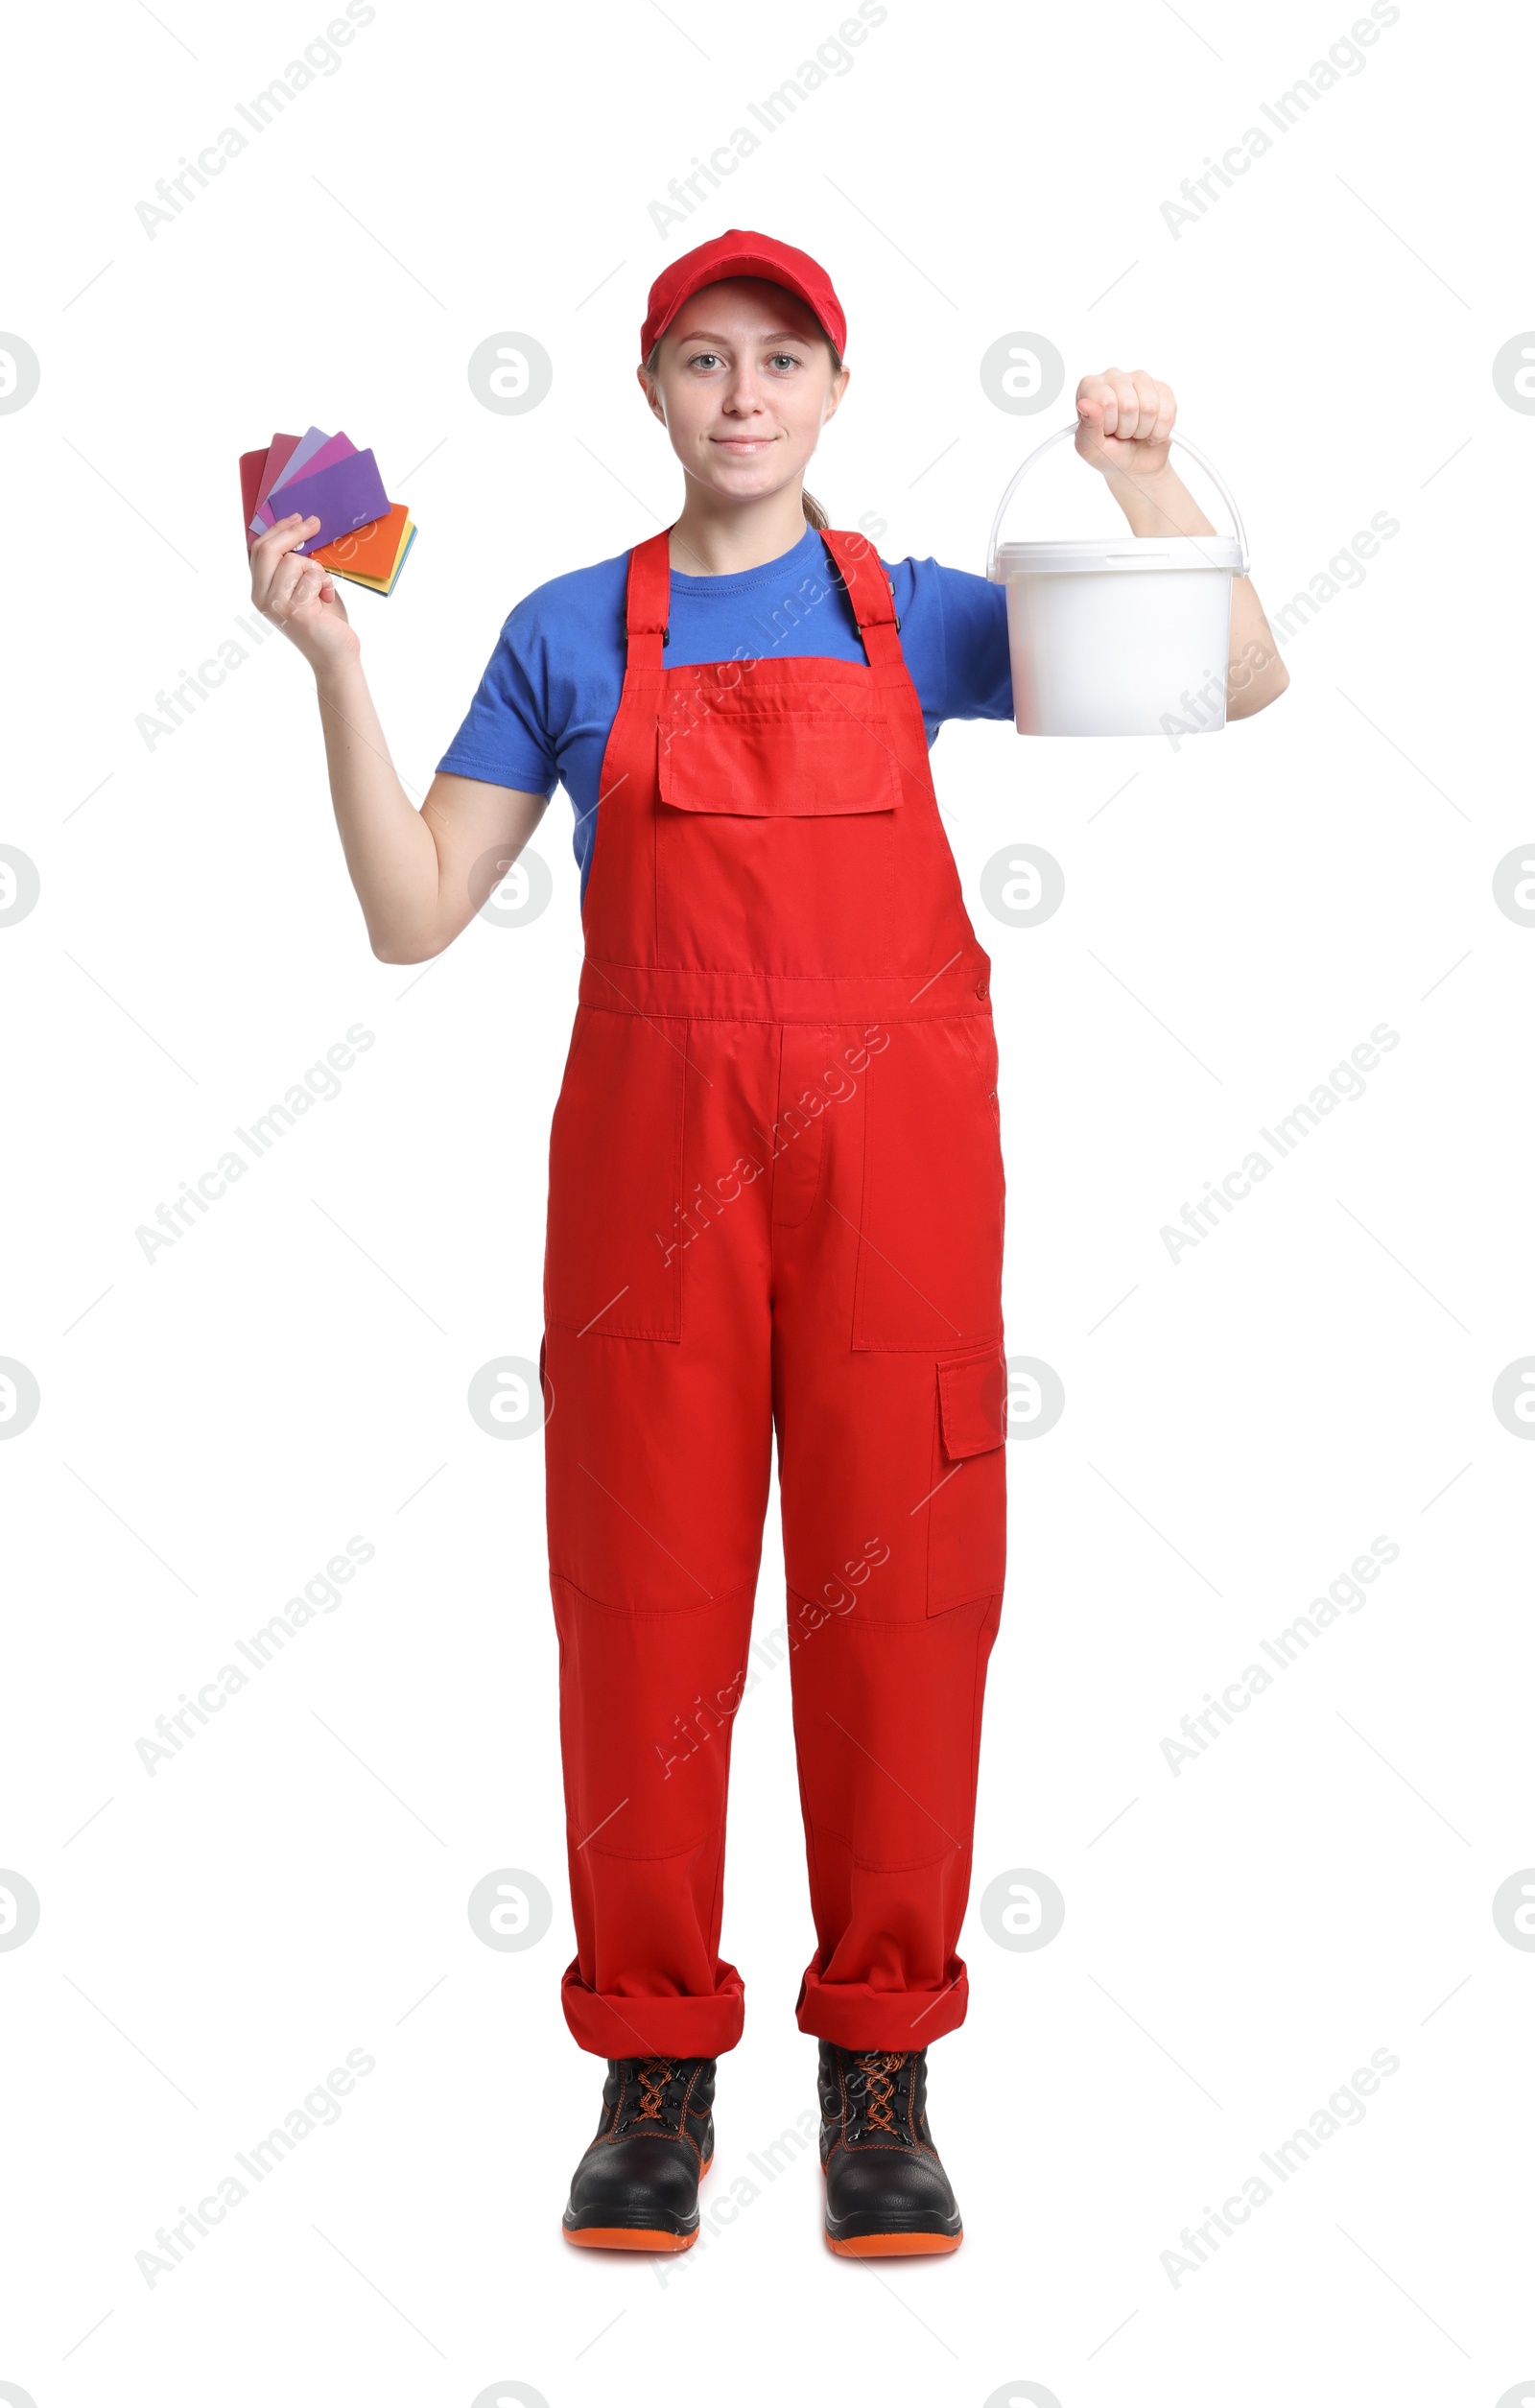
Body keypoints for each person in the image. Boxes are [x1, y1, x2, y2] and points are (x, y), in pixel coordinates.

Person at [249, 227, 1289, 2260]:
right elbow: (409, 908)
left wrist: (1145, 481)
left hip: (893, 1188)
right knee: (641, 1607)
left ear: (834, 389)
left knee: (902, 1605)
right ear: (648, 390)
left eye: (780, 358)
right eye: (701, 359)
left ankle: (878, 2063)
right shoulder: (566, 630)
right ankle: (652, 2062)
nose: (741, 393)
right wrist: (335, 664)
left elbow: (1226, 676)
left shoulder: (915, 616)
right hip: (653, 1198)